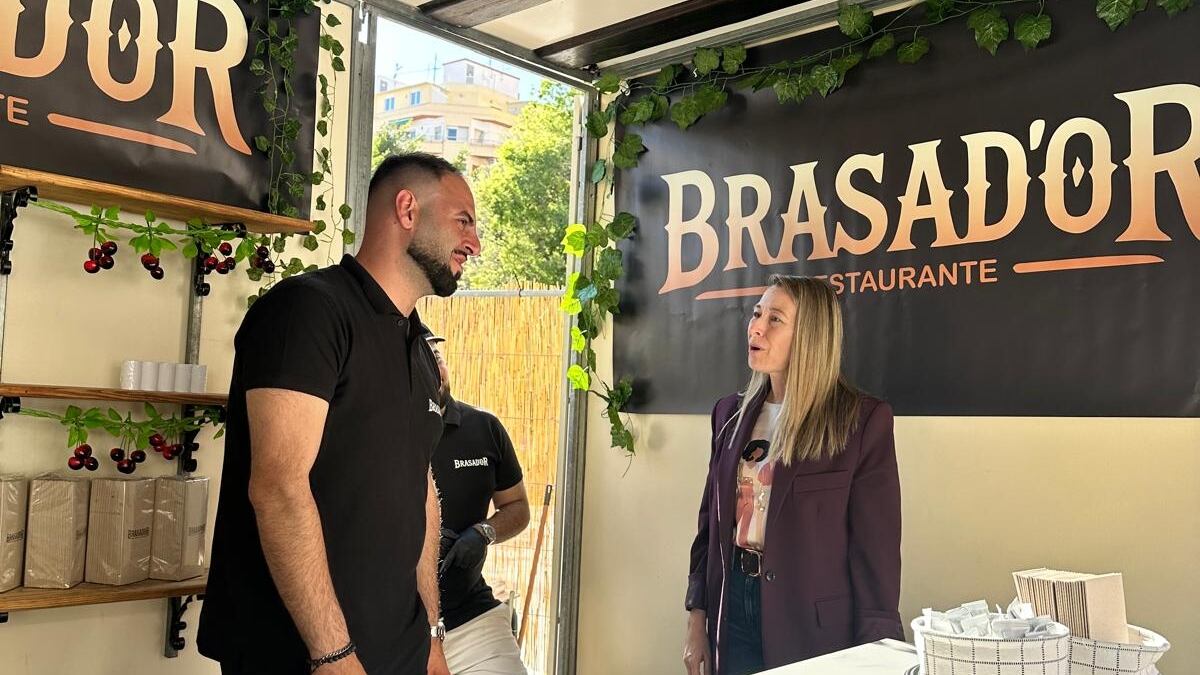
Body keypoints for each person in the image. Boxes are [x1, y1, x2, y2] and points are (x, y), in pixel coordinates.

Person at [198, 152, 481, 675]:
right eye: (463, 220)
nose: (475, 243)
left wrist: (431, 637)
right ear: (406, 209)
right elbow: (278, 488)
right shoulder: (308, 311)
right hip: (297, 656)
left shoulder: (419, 349)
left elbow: (419, 493)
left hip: (397, 653)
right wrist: (333, 655)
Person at [683, 275, 902, 675]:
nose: (756, 327)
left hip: (813, 630)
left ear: (810, 335)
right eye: (756, 313)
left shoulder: (860, 422)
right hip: (731, 613)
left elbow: (876, 556)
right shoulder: (728, 415)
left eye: (775, 319)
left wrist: (879, 654)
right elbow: (708, 528)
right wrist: (697, 618)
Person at [424, 334, 531, 675]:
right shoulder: (378, 436)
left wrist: (483, 532)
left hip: (470, 616)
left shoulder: (484, 428)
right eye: (422, 359)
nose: (435, 368)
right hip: (394, 626)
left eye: (437, 356)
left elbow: (517, 507)